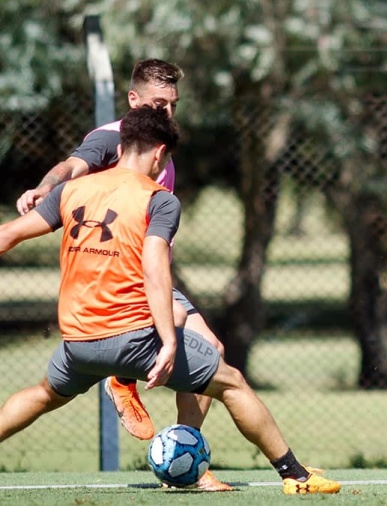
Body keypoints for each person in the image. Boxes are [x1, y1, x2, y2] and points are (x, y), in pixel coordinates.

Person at [0, 106, 340, 495]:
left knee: (43, 394)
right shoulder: (158, 200)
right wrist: (168, 341)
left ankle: (134, 399)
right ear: (160, 153)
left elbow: (8, 235)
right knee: (232, 384)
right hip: (133, 338)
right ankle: (296, 476)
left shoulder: (72, 190)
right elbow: (155, 271)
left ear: (121, 146)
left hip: (78, 342)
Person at [15, 59, 236, 490]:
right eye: (157, 102)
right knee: (175, 324)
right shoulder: (112, 139)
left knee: (212, 348)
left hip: (148, 272)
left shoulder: (157, 144)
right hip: (121, 279)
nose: (166, 111)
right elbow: (72, 166)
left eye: (172, 104)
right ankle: (123, 378)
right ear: (133, 100)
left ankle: (184, 463)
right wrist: (44, 187)